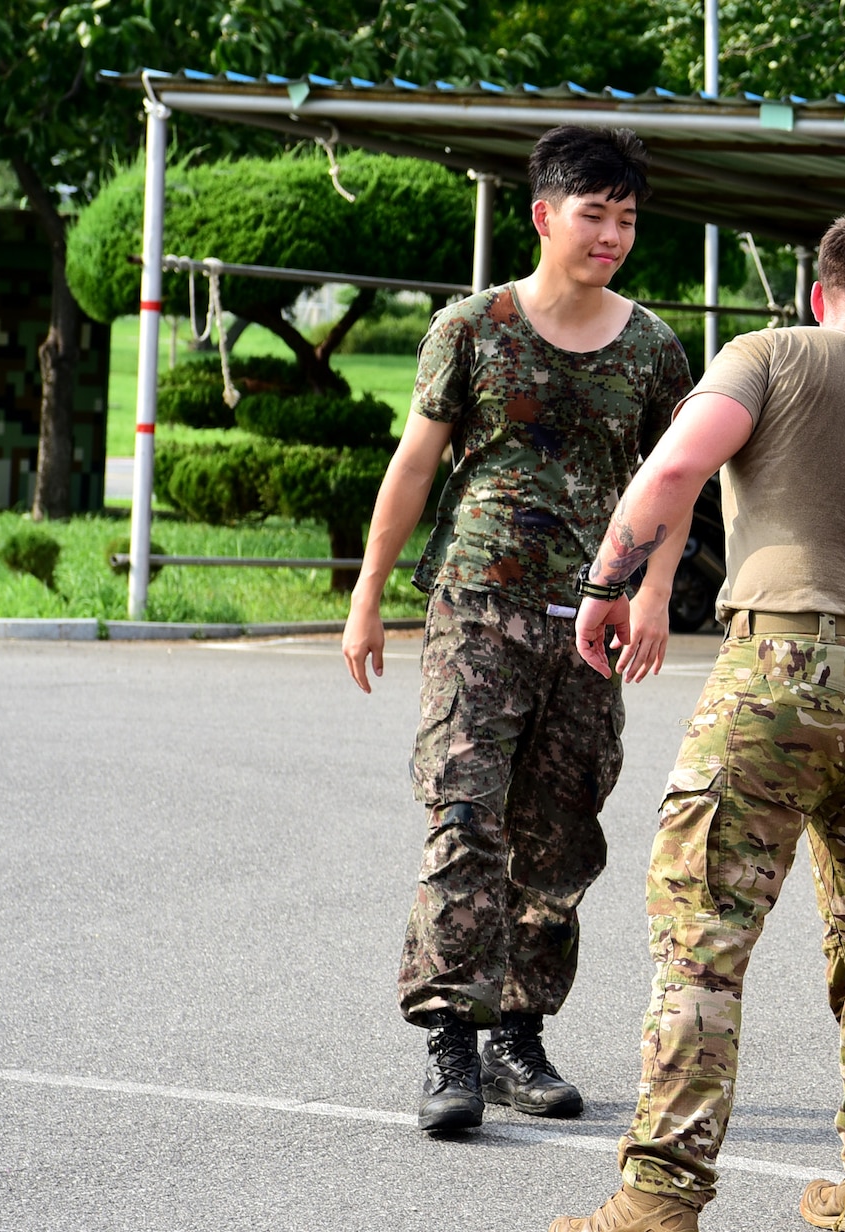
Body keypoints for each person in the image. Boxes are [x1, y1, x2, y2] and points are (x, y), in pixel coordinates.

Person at [539, 211, 845, 1232]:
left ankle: (659, 1199)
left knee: (702, 928)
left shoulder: (770, 353)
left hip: (784, 668)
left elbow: (677, 467)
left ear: (820, 293)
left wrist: (604, 582)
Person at [340, 126, 692, 1135]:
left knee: (561, 832)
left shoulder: (652, 346)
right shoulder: (474, 326)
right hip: (476, 610)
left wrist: (654, 591)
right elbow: (413, 466)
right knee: (463, 815)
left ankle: (518, 1037)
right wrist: (369, 594)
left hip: (589, 621)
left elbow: (673, 482)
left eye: (627, 218)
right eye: (595, 214)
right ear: (544, 214)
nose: (612, 235)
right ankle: (450, 1035)